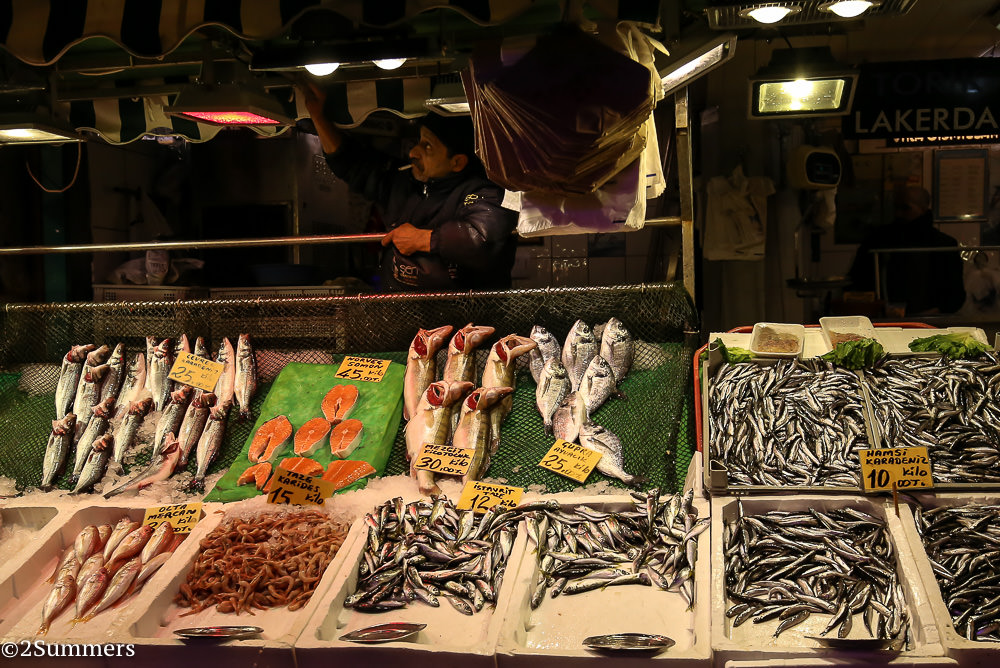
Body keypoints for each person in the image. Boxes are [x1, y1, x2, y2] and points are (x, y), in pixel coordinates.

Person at [301, 83, 517, 291]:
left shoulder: (487, 191)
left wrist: (424, 239)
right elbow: (350, 164)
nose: (414, 152)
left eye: (428, 146)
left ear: (457, 162)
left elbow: (482, 239)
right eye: (419, 142)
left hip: (470, 321)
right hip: (402, 314)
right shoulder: (403, 180)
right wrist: (318, 115)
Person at [847, 186, 965, 315]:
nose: (898, 213)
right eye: (896, 208)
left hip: (930, 320)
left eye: (905, 208)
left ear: (923, 209)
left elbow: (955, 294)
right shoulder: (878, 240)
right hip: (884, 319)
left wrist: (934, 312)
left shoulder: (943, 244)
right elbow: (858, 281)